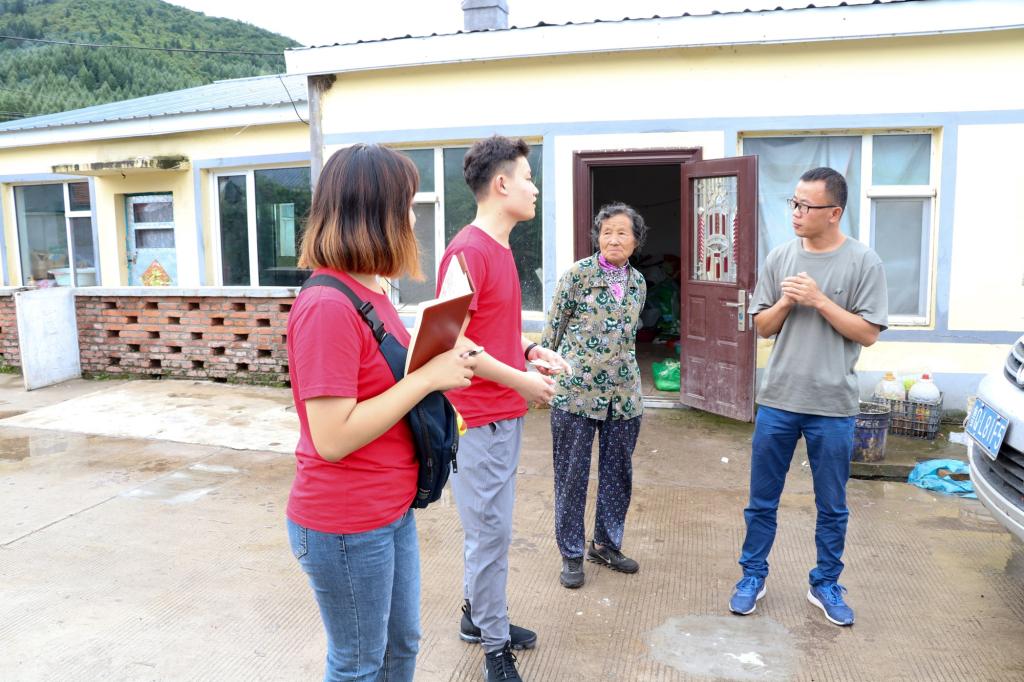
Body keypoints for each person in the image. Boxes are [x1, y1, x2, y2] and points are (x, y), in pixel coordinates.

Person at [285, 144, 478, 681]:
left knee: (400, 649)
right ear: (375, 212)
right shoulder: (327, 306)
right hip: (346, 522)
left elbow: (386, 381)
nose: (413, 219)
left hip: (389, 509)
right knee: (358, 665)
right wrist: (427, 379)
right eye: (407, 205)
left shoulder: (371, 290)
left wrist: (437, 355)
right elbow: (332, 437)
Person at [728, 167, 888, 626]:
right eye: (793, 203)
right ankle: (752, 576)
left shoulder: (864, 262)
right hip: (779, 399)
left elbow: (868, 333)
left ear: (834, 213)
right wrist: (786, 301)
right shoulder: (780, 257)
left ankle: (825, 583)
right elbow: (762, 327)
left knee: (832, 506)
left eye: (806, 206)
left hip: (832, 406)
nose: (796, 213)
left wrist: (819, 300)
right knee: (761, 500)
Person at [437, 135, 566, 682]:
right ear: (501, 183)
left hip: (502, 415)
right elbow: (453, 343)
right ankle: (494, 647)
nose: (535, 189)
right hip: (476, 421)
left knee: (491, 532)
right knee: (489, 536)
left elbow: (493, 332)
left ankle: (479, 616)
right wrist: (523, 382)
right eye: (529, 179)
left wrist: (531, 353)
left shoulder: (501, 248)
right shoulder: (467, 251)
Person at [540, 202, 648, 590]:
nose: (613, 239)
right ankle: (571, 553)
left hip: (624, 396)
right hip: (576, 394)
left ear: (635, 240)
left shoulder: (638, 283)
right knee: (572, 476)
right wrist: (541, 378)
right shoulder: (578, 276)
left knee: (618, 475)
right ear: (597, 238)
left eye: (622, 232)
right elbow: (553, 330)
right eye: (606, 232)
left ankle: (605, 545)